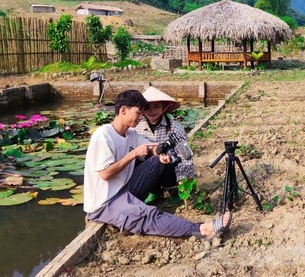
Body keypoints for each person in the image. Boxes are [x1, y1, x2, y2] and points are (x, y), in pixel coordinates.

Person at [83, 89, 230, 239]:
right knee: (146, 214)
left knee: (155, 162)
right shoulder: (104, 135)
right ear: (123, 110)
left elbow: (151, 146)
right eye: (139, 112)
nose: (141, 117)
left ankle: (144, 200)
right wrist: (133, 154)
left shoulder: (131, 134)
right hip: (105, 202)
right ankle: (202, 230)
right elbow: (105, 174)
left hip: (123, 189)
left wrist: (159, 154)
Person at [134, 86, 194, 204]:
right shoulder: (137, 128)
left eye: (157, 106)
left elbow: (186, 156)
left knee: (168, 158)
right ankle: (154, 192)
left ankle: (175, 192)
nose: (152, 111)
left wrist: (184, 181)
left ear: (164, 107)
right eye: (148, 107)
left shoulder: (174, 128)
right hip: (148, 168)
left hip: (170, 170)